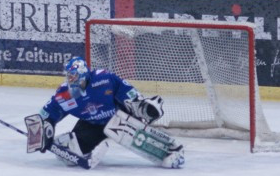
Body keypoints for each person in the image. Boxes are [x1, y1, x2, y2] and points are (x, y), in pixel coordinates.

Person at [26, 57, 184, 169]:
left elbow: (130, 97)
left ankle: (171, 151)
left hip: (118, 117)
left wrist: (143, 106)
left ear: (84, 75)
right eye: (69, 77)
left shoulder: (104, 79)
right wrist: (42, 132)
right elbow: (46, 115)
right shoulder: (64, 94)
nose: (72, 81)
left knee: (120, 127)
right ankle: (73, 145)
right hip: (91, 125)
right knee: (70, 156)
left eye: (75, 77)